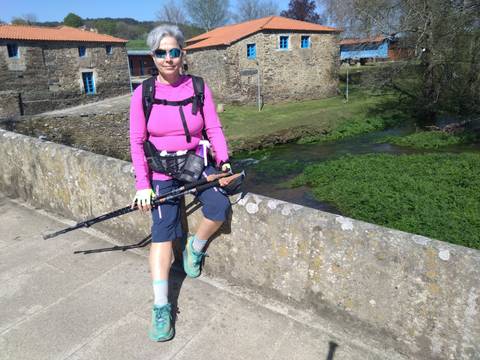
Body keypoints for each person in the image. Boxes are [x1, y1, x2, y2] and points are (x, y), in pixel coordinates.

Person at [129, 24, 231, 342]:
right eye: (162, 52)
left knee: (219, 206)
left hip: (196, 162)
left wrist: (224, 160)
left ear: (183, 53)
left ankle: (194, 248)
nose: (169, 58)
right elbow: (136, 142)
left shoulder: (198, 87)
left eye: (175, 51)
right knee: (161, 238)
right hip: (161, 172)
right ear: (153, 56)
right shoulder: (142, 93)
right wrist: (143, 185)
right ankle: (161, 308)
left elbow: (212, 127)